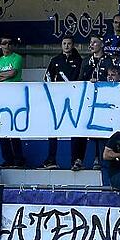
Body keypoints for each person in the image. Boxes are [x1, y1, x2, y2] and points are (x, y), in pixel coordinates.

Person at [73, 36, 114, 171]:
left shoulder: (109, 61)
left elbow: (112, 78)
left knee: (99, 130)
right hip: (88, 101)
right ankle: (79, 159)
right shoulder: (86, 61)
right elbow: (80, 80)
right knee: (82, 128)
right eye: (90, 42)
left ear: (102, 44)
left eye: (95, 42)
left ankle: (98, 157)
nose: (92, 45)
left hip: (104, 101)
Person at [41, 35, 82, 169]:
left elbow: (81, 79)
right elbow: (47, 78)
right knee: (54, 129)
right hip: (57, 101)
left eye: (69, 43)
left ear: (73, 45)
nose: (66, 46)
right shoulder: (55, 60)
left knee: (74, 130)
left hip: (74, 101)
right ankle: (51, 159)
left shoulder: (79, 60)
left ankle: (75, 160)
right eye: (64, 43)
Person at [0, 37, 26, 168]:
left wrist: (0, 76)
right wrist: (4, 77)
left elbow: (13, 73)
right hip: (0, 97)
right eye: (4, 43)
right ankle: (8, 159)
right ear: (0, 46)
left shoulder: (17, 57)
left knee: (14, 129)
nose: (7, 45)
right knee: (2, 129)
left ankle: (18, 159)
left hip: (14, 96)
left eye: (10, 43)